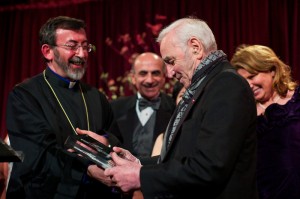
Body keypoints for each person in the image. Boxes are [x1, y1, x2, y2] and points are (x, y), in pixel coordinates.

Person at [104, 17, 258, 199]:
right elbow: (183, 157)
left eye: (170, 61)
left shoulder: (227, 85)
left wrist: (140, 176)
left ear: (196, 47)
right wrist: (138, 163)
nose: (168, 73)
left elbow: (208, 168)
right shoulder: (205, 86)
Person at [6, 16, 120, 199]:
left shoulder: (96, 97)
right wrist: (87, 170)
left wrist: (106, 141)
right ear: (47, 51)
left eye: (85, 46)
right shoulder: (25, 96)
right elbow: (38, 153)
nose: (82, 54)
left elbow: (117, 138)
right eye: (72, 46)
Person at [230, 44, 300, 199]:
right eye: (243, 81)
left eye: (252, 76)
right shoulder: (244, 116)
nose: (248, 85)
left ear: (272, 70)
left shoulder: (297, 100)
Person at [109, 52, 175, 159]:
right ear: (133, 77)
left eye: (155, 73)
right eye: (143, 73)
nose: (150, 80)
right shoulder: (114, 108)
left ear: (164, 77)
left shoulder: (175, 109)